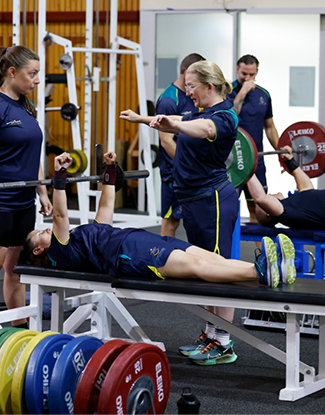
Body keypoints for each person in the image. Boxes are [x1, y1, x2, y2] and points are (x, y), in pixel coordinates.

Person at [20, 152, 296, 366]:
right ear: (39, 250)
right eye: (40, 234)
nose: (46, 229)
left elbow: (105, 208)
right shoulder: (59, 251)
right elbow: (59, 215)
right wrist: (59, 177)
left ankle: (269, 267)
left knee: (210, 257)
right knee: (198, 267)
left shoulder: (80, 237)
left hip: (136, 240)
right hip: (130, 256)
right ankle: (258, 273)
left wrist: (109, 171)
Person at [120, 60, 246, 365]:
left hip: (213, 201)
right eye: (186, 86)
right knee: (203, 270)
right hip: (193, 201)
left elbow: (200, 129)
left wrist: (174, 125)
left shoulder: (223, 116)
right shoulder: (198, 111)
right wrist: (141, 119)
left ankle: (224, 341)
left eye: (191, 86)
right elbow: (176, 117)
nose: (187, 92)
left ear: (209, 87)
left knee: (220, 272)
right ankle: (210, 333)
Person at [0, 46, 53, 348]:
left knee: (15, 272)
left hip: (24, 201)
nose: (36, 80)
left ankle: (17, 336)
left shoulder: (26, 106)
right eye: (32, 73)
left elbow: (31, 152)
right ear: (11, 72)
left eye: (37, 73)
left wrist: (41, 190)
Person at [155, 53, 205, 237]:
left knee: (199, 219)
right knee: (171, 221)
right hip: (174, 173)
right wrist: (190, 165)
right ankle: (164, 262)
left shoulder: (194, 96)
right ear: (186, 73)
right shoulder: (169, 101)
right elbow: (166, 141)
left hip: (195, 172)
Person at [228, 55, 280, 223]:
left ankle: (260, 250)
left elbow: (270, 127)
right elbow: (229, 118)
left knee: (259, 210)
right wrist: (242, 91)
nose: (248, 78)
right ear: (237, 70)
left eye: (251, 74)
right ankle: (228, 249)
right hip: (232, 160)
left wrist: (282, 153)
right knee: (228, 211)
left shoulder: (263, 95)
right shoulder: (227, 91)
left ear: (257, 71)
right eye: (244, 73)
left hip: (256, 160)